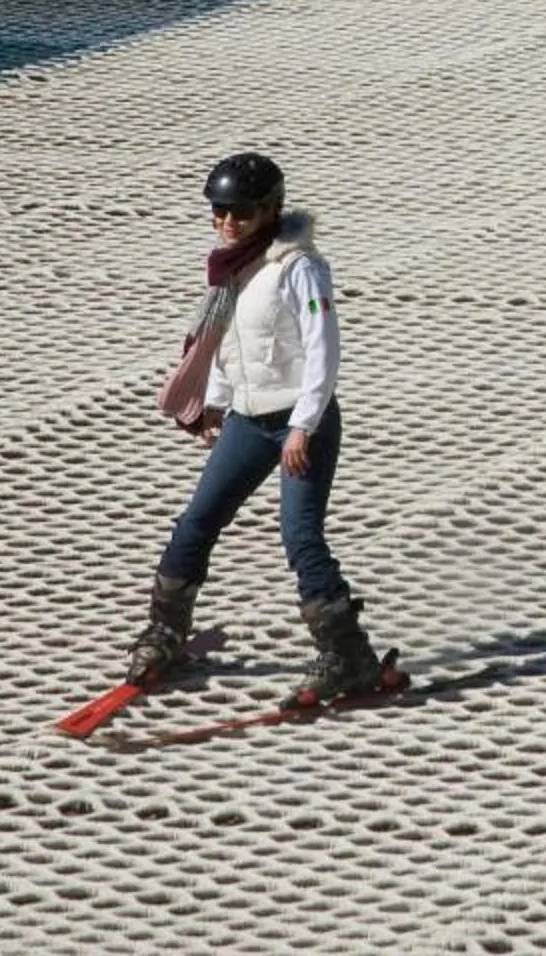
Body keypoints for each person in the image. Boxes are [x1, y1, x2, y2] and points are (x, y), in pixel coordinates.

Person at [124, 151, 388, 705]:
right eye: (218, 212)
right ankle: (165, 631)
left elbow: (323, 350)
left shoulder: (299, 266)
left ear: (271, 210)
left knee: (300, 535)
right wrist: (217, 403)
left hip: (299, 421)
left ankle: (348, 655)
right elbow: (229, 343)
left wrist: (303, 425)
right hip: (249, 416)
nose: (227, 223)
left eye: (240, 213)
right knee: (197, 521)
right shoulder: (232, 267)